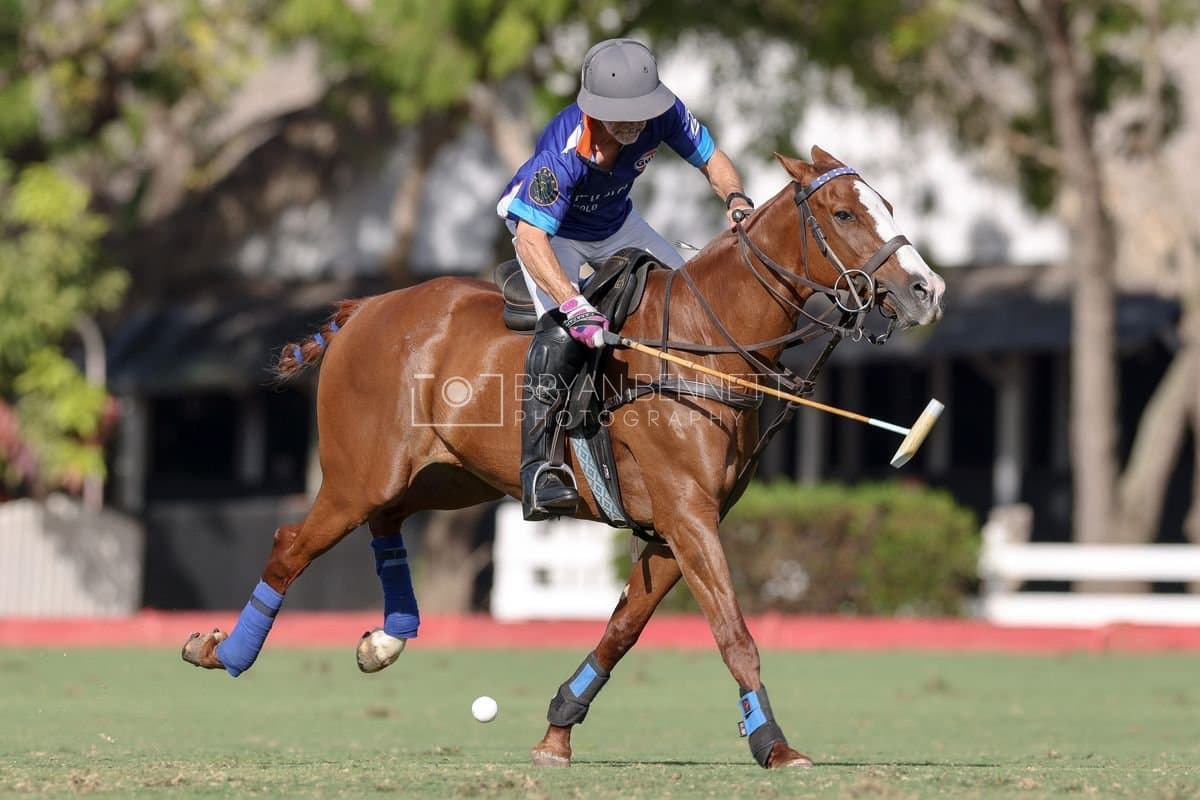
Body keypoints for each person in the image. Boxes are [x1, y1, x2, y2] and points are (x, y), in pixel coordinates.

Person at [497, 37, 754, 521]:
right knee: (561, 332)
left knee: (697, 307)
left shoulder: (665, 113)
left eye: (642, 113)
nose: (635, 124)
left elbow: (711, 158)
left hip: (617, 223)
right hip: (554, 234)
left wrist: (736, 198)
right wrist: (573, 304)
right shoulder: (564, 151)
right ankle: (540, 468)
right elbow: (532, 239)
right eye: (623, 116)